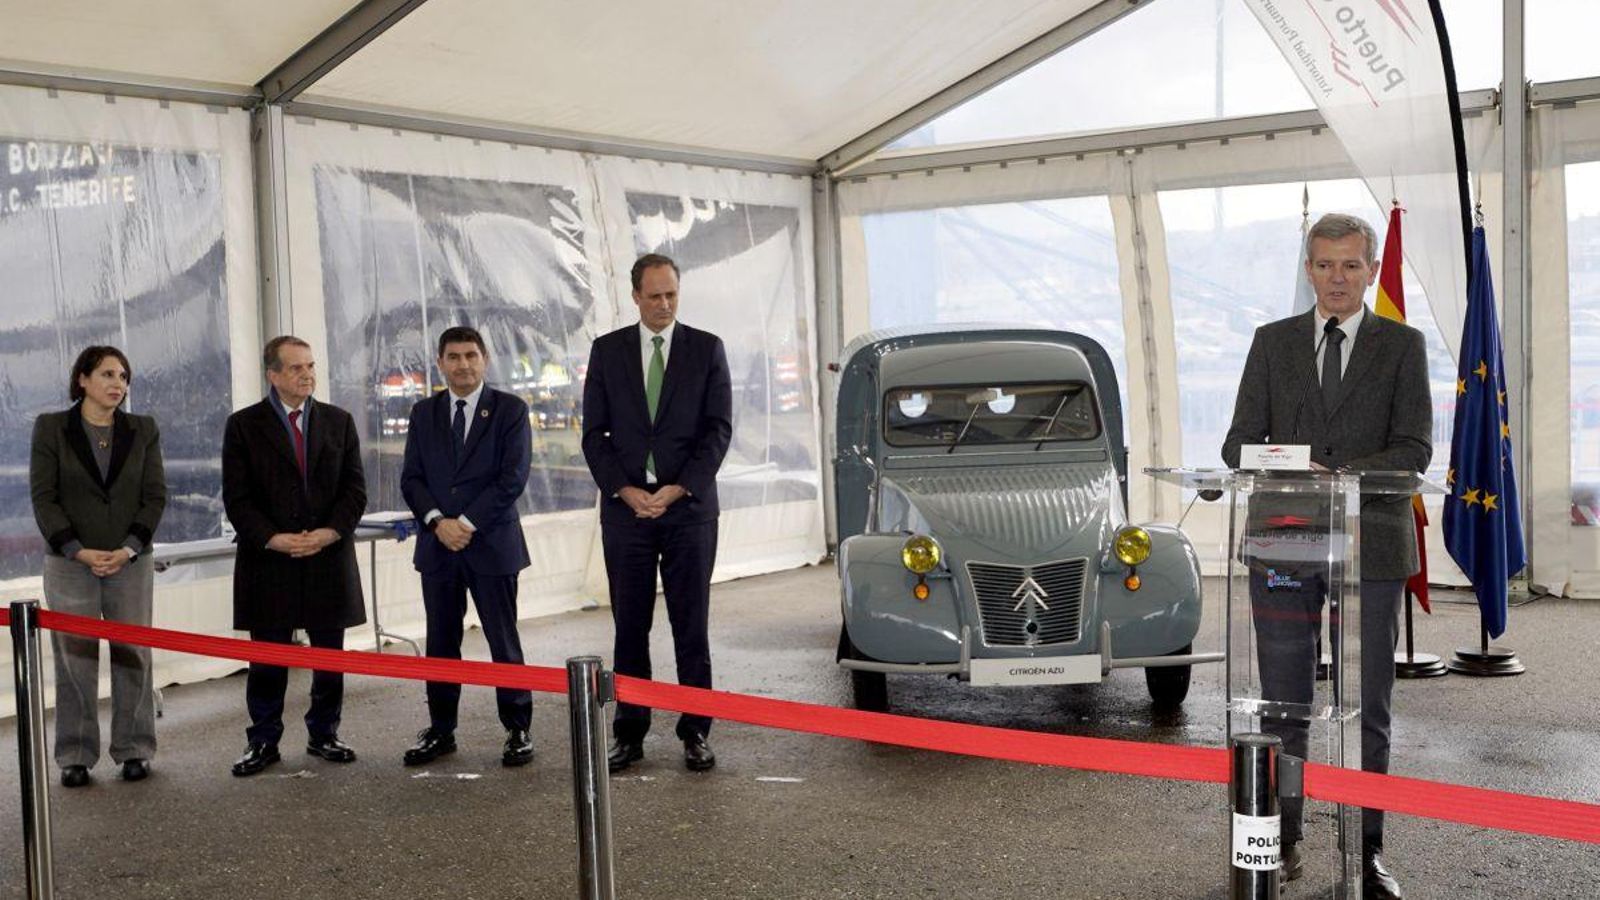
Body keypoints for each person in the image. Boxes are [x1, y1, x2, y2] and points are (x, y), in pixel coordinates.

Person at [1222, 213, 1431, 900]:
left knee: (1369, 708)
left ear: (1371, 269)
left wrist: (1337, 476)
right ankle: (1280, 845)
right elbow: (1238, 447)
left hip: (1370, 543)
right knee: (1283, 705)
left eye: (1349, 265)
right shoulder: (1271, 343)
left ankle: (1366, 855)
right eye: (1322, 265)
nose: (1336, 278)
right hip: (1284, 539)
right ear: (1307, 269)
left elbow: (1414, 450)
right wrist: (1292, 467)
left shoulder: (1402, 345)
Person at [582, 253, 732, 773]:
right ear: (635, 297)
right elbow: (593, 435)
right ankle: (630, 732)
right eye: (654, 296)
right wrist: (624, 490)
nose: (665, 303)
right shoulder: (607, 352)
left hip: (688, 511)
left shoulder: (707, 349)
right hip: (627, 514)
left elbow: (718, 431)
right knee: (630, 628)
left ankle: (696, 731)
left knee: (691, 626)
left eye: (671, 294)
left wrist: (677, 489)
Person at [223, 336, 368, 776]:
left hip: (327, 556)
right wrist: (273, 538)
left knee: (329, 656)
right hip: (269, 560)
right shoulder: (243, 425)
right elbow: (237, 497)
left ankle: (325, 733)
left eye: (310, 366)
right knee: (268, 658)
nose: (306, 375)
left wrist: (327, 533)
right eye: (295, 368)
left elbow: (355, 490)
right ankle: (263, 740)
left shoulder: (339, 422)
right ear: (272, 375)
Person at [30, 346, 166, 787]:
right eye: (108, 374)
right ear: (83, 379)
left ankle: (134, 749)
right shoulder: (51, 428)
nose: (118, 384)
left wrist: (128, 547)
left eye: (124, 376)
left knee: (134, 655)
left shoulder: (142, 430)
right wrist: (76, 549)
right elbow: (43, 497)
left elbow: (154, 496)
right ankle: (75, 754)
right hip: (71, 563)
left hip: (131, 561)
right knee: (75, 660)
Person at [399, 325, 535, 767]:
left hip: (491, 545)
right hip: (439, 547)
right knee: (441, 642)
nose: (463, 364)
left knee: (503, 641)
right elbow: (412, 479)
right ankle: (441, 730)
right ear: (440, 363)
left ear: (485, 359)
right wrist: (439, 522)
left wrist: (467, 523)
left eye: (471, 355)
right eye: (453, 357)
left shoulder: (510, 410)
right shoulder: (423, 413)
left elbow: (511, 478)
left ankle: (517, 729)